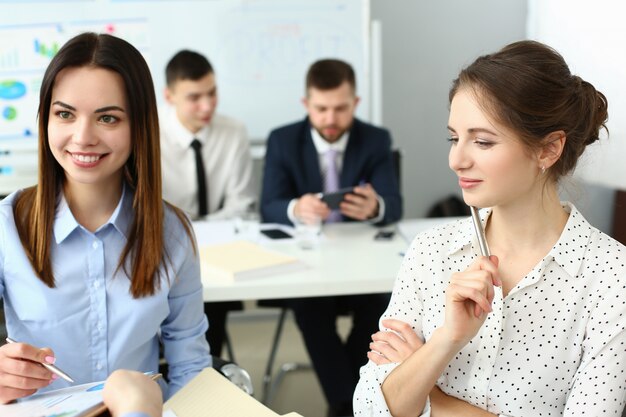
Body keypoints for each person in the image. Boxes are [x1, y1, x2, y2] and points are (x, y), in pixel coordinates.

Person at [354, 40, 625, 416]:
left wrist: (434, 397)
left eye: (482, 141)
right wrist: (447, 339)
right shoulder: (431, 251)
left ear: (548, 150)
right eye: (454, 137)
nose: (456, 159)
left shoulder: (612, 277)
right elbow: (369, 409)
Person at [0, 33, 211, 404]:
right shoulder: (7, 226)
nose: (82, 137)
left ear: (139, 125)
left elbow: (190, 367)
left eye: (108, 118)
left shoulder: (172, 232)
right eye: (65, 114)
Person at [261, 58, 402, 416]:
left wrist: (374, 208)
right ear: (306, 105)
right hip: (309, 264)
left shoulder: (375, 139)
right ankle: (349, 403)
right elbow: (269, 206)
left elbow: (394, 205)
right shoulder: (282, 140)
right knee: (309, 306)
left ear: (355, 103)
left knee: (380, 304)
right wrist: (296, 208)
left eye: (341, 109)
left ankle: (345, 400)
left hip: (362, 266)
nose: (330, 119)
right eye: (321, 109)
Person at [160, 50, 255, 359]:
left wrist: (202, 230)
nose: (207, 105)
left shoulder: (234, 131)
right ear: (169, 96)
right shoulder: (149, 136)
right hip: (166, 250)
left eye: (212, 93)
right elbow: (151, 212)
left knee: (211, 317)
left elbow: (242, 205)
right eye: (194, 97)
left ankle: (207, 376)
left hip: (220, 250)